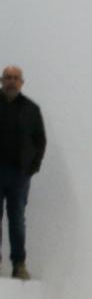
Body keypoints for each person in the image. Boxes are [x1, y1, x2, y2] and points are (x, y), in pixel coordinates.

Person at [0, 66, 46, 280]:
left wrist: (32, 167)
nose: (11, 82)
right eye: (8, 78)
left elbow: (40, 140)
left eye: (15, 78)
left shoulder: (31, 109)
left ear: (22, 83)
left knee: (17, 219)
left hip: (19, 174)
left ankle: (19, 264)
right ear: (2, 80)